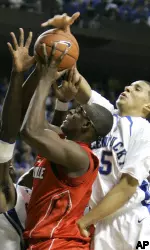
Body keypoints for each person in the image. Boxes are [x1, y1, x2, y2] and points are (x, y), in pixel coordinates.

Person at [42, 12, 150, 250]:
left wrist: (86, 220)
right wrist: (66, 39)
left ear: (147, 106)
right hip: (98, 223)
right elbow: (76, 79)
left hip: (134, 222)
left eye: (137, 88)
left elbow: (128, 185)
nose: (128, 88)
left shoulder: (144, 131)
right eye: (129, 85)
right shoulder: (106, 115)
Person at [20, 43, 113, 250]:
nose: (72, 111)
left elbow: (31, 131)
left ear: (86, 125)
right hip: (48, 241)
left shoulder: (79, 155)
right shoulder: (66, 144)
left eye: (77, 111)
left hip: (61, 243)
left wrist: (46, 78)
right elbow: (26, 119)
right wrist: (58, 100)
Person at [0, 28, 37, 250]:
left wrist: (38, 72)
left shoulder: (18, 188)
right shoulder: (8, 191)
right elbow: (8, 133)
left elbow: (9, 132)